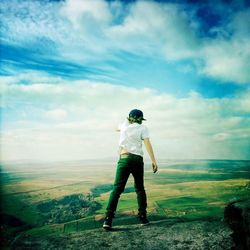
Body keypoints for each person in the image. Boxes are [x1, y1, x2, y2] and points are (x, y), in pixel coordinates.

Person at [103, 109, 158, 230]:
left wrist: (126, 121)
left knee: (117, 190)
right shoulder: (143, 128)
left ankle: (108, 219)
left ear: (129, 117)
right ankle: (143, 217)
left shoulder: (124, 126)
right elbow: (148, 143)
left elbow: (116, 128)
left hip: (124, 158)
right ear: (141, 119)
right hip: (137, 160)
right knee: (139, 188)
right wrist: (153, 160)